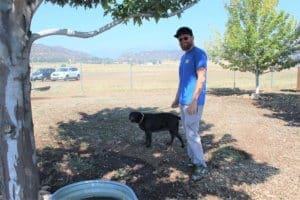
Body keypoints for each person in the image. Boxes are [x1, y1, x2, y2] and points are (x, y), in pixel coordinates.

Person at [171, 26, 208, 181]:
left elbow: (201, 78)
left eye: (185, 38)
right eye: (180, 39)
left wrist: (194, 101)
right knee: (188, 132)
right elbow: (183, 81)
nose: (183, 41)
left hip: (193, 102)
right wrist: (176, 98)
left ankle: (201, 166)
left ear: (192, 37)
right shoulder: (183, 57)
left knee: (192, 134)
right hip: (183, 102)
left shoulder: (199, 54)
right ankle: (194, 160)